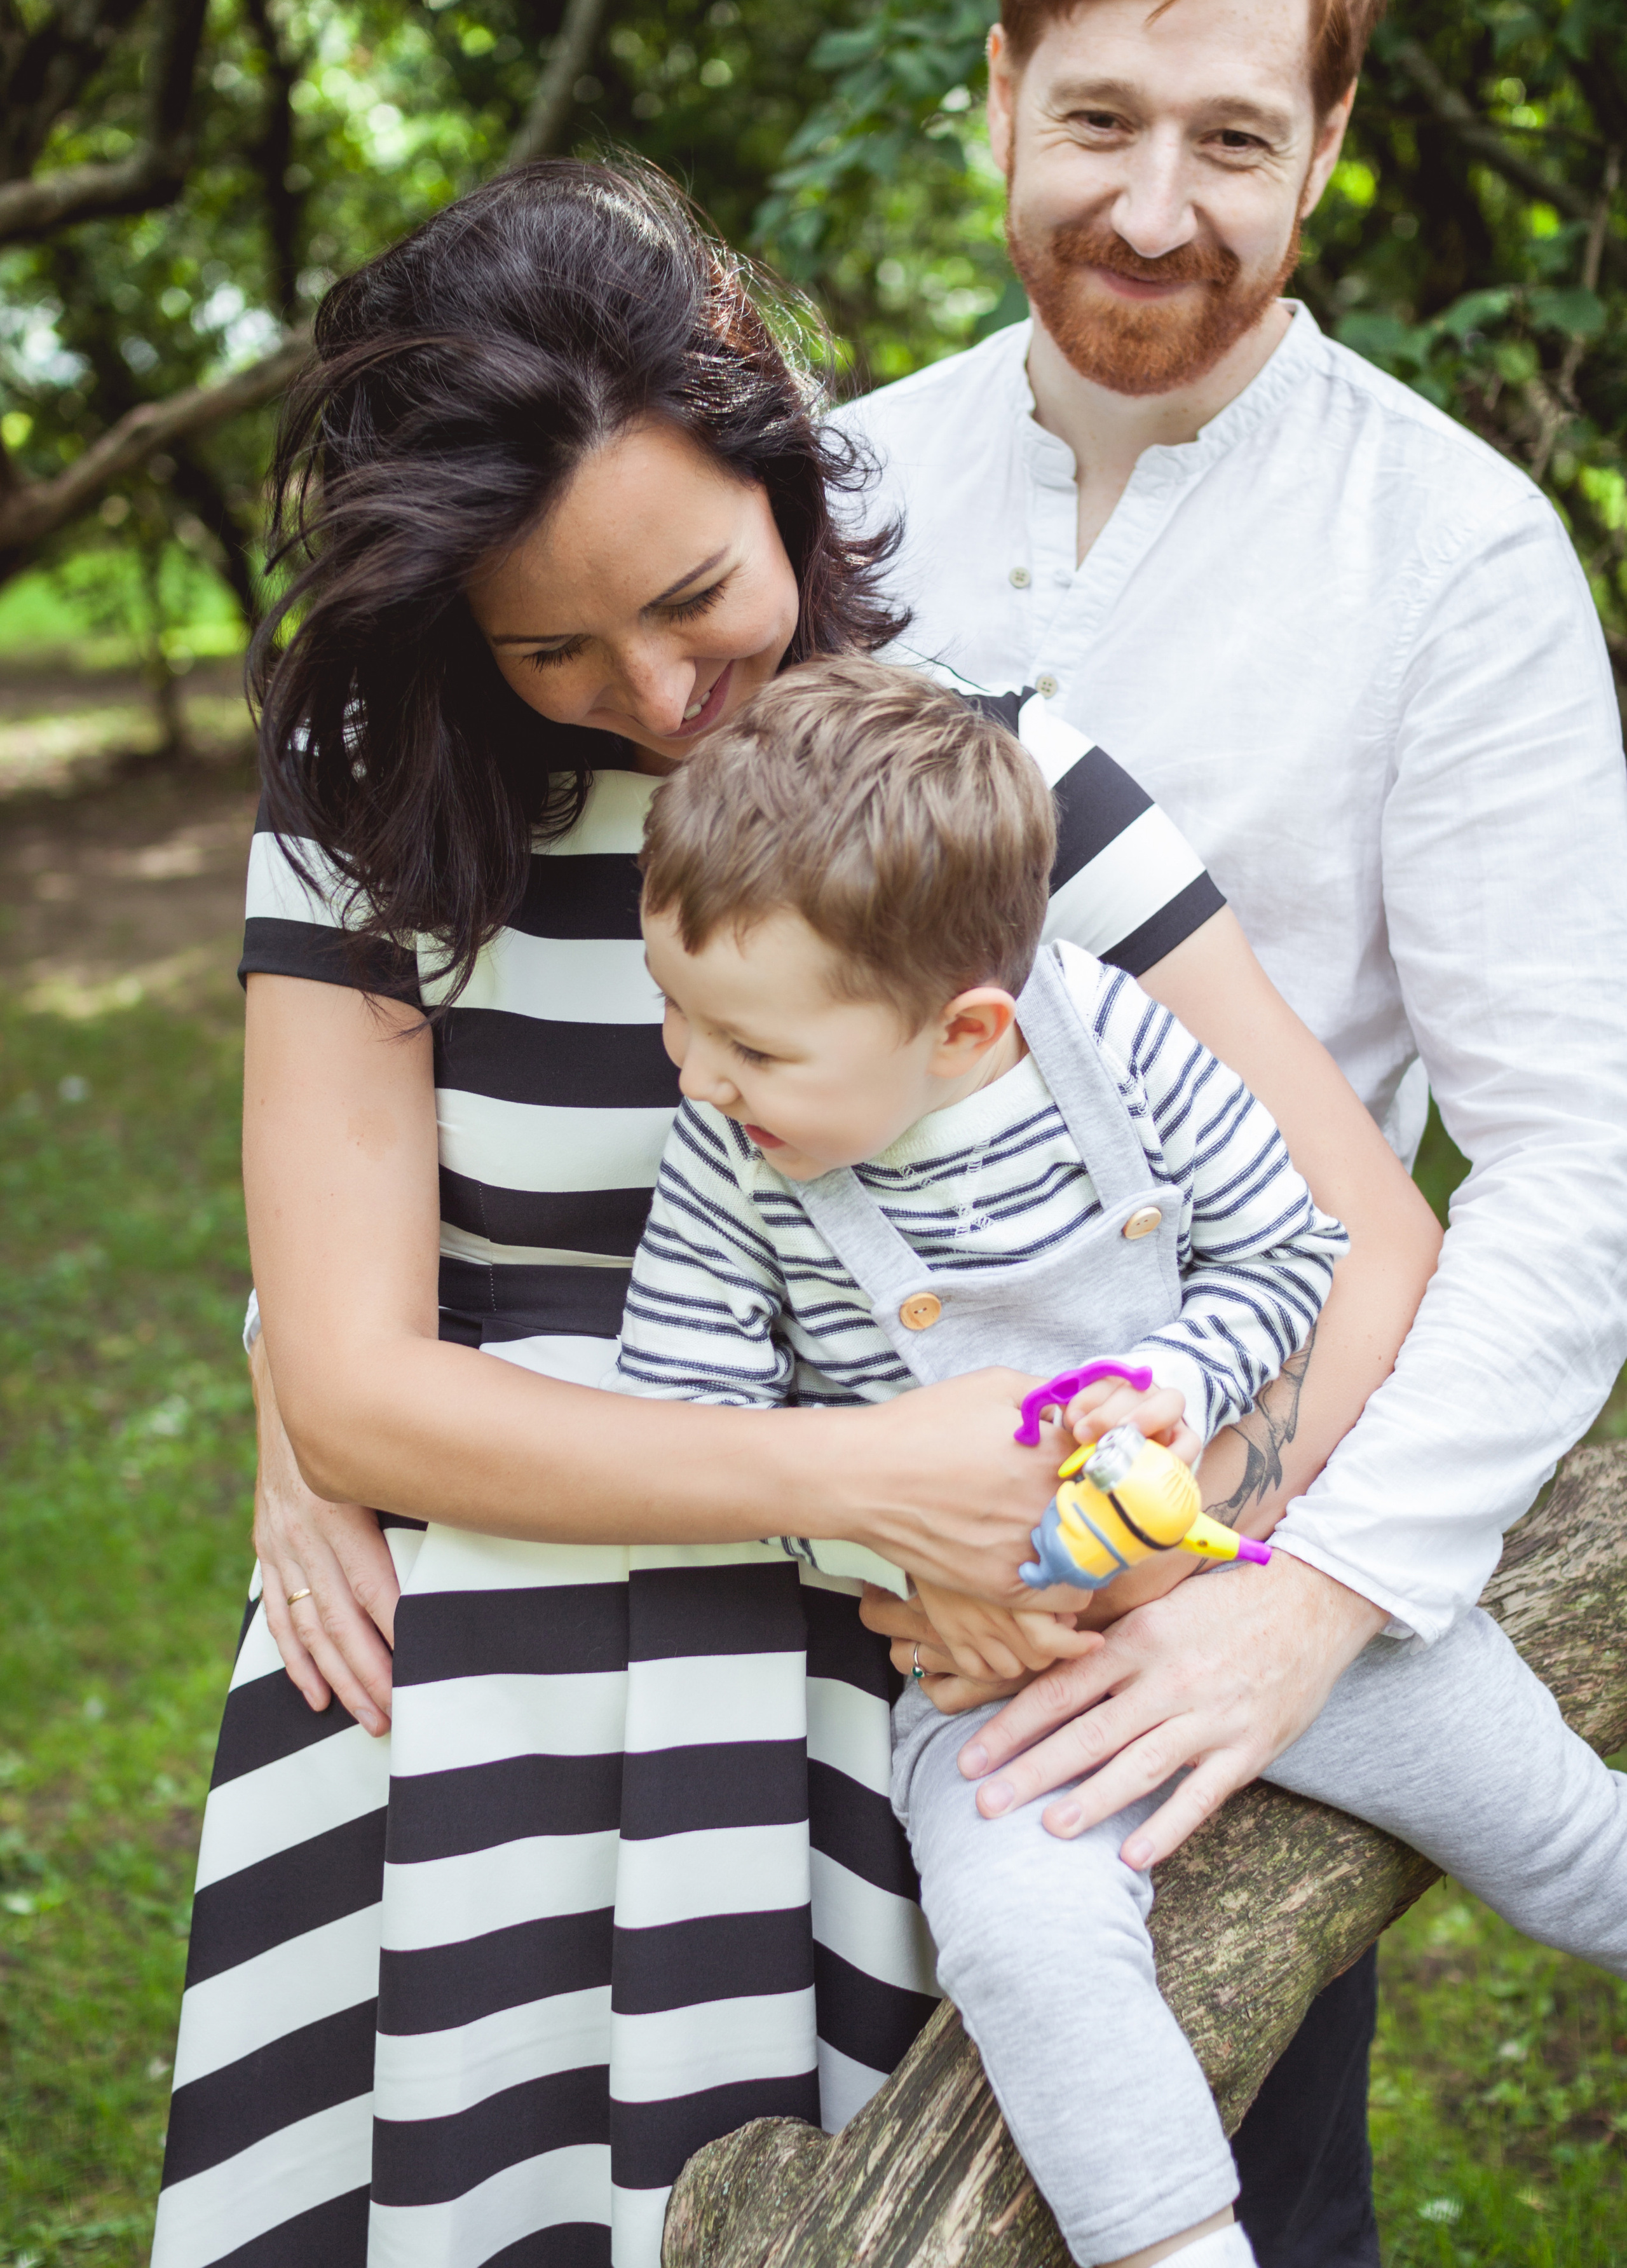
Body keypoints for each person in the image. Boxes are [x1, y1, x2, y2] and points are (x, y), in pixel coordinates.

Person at [153, 162, 1437, 2268]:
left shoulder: (985, 777)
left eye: (692, 600)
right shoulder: (374, 794)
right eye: (551, 644)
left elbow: (1363, 1239)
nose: (658, 698)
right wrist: (859, 1480)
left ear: (777, 458)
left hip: (876, 1700)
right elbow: (362, 1387)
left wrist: (1102, 1544)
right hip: (467, 1697)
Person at [833, 0, 1627, 2257]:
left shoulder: (1457, 558)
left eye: (1234, 141)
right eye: (1099, 121)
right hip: (830, 1612)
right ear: (993, 97)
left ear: (1329, 151)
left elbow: (1581, 1171)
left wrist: (1315, 1606)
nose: (1156, 209)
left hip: (1243, 1583)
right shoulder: (828, 496)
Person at [615, 658, 1627, 2268]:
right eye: (675, 1009)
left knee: (1554, 1827)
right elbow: (688, 1428)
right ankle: (1168, 2244)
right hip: (995, 1684)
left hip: (1246, 1582)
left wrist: (1175, 1381)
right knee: (1022, 1948)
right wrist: (892, 1553)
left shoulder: (1107, 1041)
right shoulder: (731, 1165)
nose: (694, 1071)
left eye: (745, 1042)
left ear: (964, 1030)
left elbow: (1290, 1248)